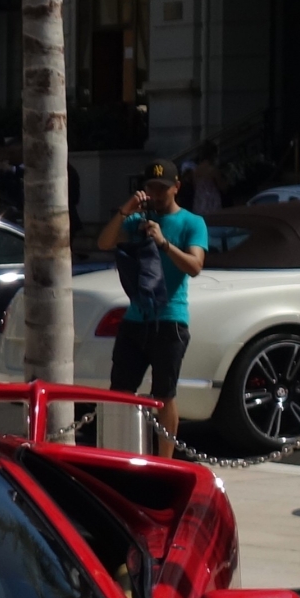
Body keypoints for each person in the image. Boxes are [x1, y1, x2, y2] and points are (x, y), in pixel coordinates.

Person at [94, 160, 207, 459]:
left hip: (170, 321)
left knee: (164, 394)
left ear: (176, 187)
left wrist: (165, 243)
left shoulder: (191, 223)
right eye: (151, 188)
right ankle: (119, 451)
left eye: (162, 188)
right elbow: (104, 242)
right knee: (120, 391)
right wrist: (126, 209)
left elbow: (195, 266)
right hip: (136, 319)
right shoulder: (137, 222)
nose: (156, 194)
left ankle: (165, 459)